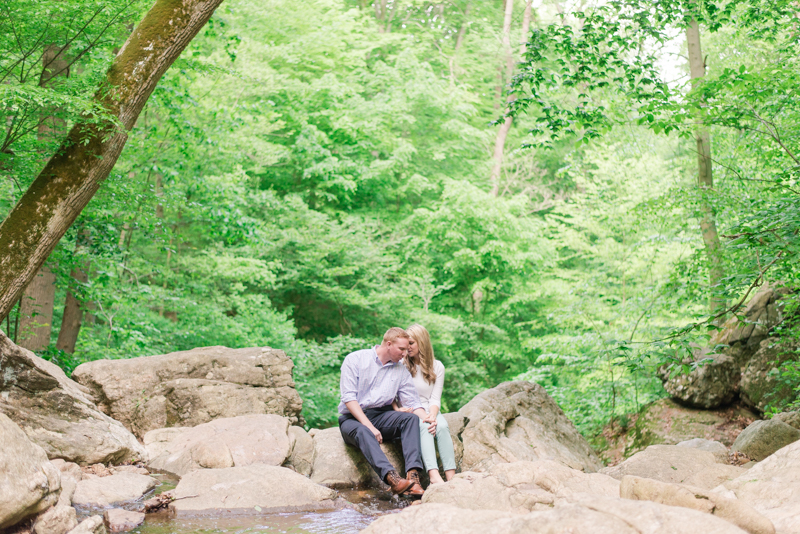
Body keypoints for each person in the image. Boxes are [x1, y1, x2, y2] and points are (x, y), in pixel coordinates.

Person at [338, 327, 433, 498]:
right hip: (352, 418)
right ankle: (393, 479)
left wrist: (428, 418)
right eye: (401, 349)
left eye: (406, 349)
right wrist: (369, 426)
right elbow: (349, 398)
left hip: (381, 415)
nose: (405, 353)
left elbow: (412, 402)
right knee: (363, 431)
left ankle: (413, 478)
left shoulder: (401, 371)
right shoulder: (355, 360)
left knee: (410, 419)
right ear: (389, 344)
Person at [393, 324, 456, 484]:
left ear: (422, 342)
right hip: (410, 411)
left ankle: (451, 476)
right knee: (425, 427)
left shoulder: (437, 366)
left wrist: (433, 416)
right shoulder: (401, 366)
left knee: (441, 426)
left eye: (411, 344)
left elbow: (435, 399)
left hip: (429, 409)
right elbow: (392, 395)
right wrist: (398, 409)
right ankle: (434, 475)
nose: (407, 348)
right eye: (406, 345)